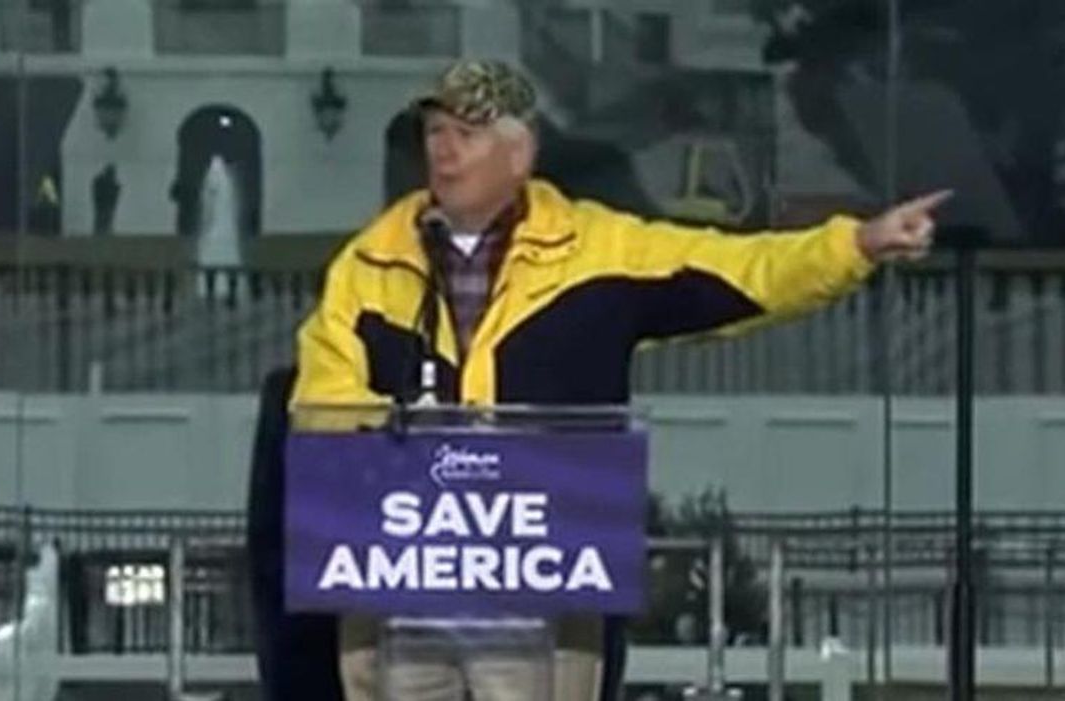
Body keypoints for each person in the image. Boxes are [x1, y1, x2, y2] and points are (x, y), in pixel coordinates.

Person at [291, 59, 948, 701]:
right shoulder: (370, 262)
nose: (444, 151)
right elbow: (323, 394)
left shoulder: (598, 249)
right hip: (400, 578)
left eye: (467, 134)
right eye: (434, 133)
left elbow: (741, 267)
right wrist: (391, 442)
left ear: (519, 155)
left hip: (541, 579)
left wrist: (855, 245)